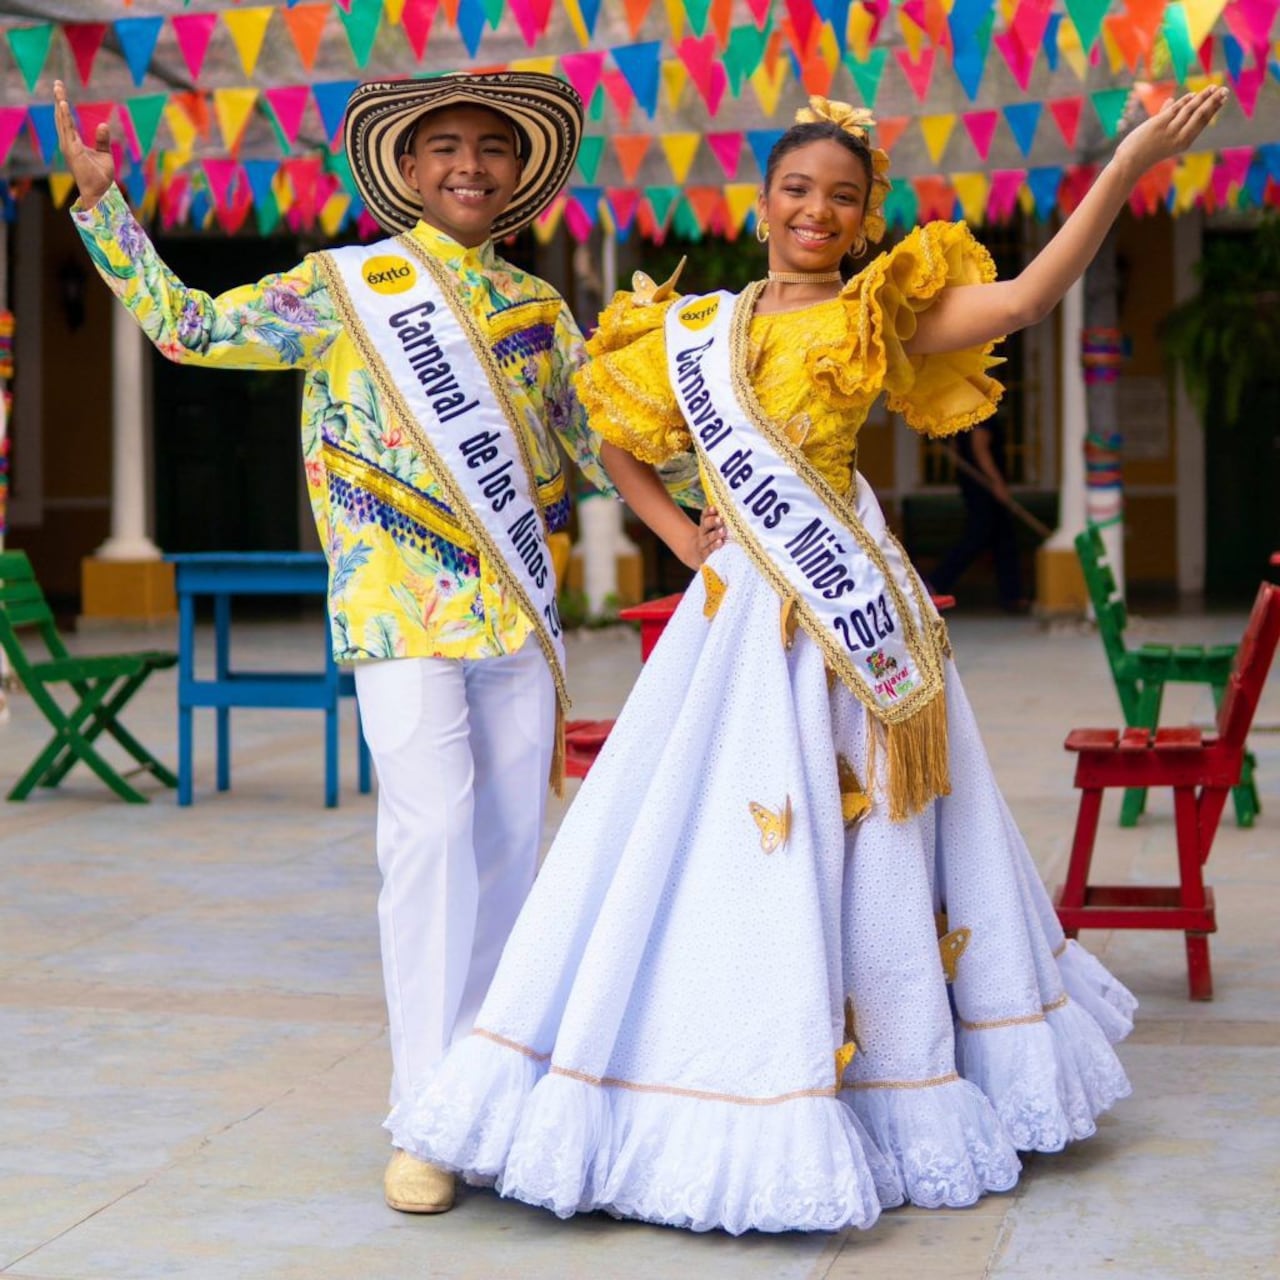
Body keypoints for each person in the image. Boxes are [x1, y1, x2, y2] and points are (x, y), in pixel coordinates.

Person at [389, 88, 1227, 1235]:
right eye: (796, 190)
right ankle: (697, 1067)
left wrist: (1128, 161)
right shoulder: (694, 332)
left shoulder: (872, 315)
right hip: (735, 618)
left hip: (846, 616)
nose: (814, 212)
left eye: (840, 197)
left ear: (864, 214)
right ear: (762, 201)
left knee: (870, 838)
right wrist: (682, 536)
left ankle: (884, 1080)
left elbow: (1030, 295)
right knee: (709, 832)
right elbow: (621, 442)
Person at [55, 72, 614, 1216]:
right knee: (429, 838)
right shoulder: (348, 290)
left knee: (512, 843)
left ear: (519, 174)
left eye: (493, 148)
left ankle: (488, 1092)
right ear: (407, 172)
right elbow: (192, 328)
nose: (470, 164)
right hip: (394, 607)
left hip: (514, 607)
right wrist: (105, 208)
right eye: (445, 147)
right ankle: (423, 1112)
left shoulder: (542, 315)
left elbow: (590, 458)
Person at [928, 419, 1029, 611]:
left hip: (978, 485)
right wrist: (997, 482)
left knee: (1003, 537)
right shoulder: (982, 412)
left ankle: (1012, 596)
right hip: (983, 487)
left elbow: (957, 446)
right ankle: (934, 584)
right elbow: (979, 447)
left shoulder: (967, 412)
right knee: (977, 536)